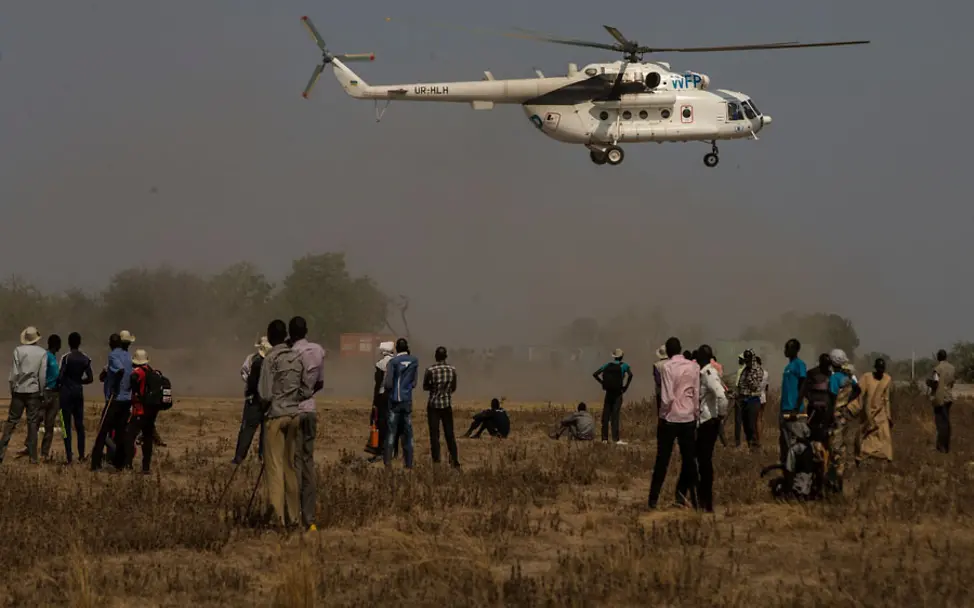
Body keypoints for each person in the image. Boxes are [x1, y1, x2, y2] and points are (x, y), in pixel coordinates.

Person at [258, 319, 307, 528]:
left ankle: (278, 520)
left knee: (275, 469)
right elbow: (305, 389)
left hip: (276, 417)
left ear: (269, 337)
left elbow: (265, 393)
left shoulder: (270, 359)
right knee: (290, 468)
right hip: (294, 416)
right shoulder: (296, 357)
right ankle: (294, 517)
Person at [648, 337, 700, 509]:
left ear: (668, 352)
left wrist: (662, 416)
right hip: (688, 418)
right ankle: (695, 499)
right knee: (689, 461)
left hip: (670, 418)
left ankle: (653, 501)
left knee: (662, 461)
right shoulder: (694, 366)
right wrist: (695, 414)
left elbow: (668, 396)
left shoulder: (667, 367)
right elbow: (696, 394)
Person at [289, 316, 325, 531]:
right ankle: (309, 518)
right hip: (310, 408)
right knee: (308, 462)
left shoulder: (291, 354)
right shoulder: (318, 350)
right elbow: (320, 383)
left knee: (295, 464)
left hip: (295, 410)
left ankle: (294, 515)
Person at [0, 327, 49, 464]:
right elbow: (42, 375)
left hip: (19, 390)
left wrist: (12, 389)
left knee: (11, 422)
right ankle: (33, 457)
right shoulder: (42, 353)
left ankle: (1, 453)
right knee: (32, 423)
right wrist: (41, 391)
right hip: (33, 391)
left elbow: (14, 374)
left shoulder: (18, 350)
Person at [91, 331, 135, 471]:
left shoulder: (113, 355)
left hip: (114, 400)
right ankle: (121, 463)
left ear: (111, 344)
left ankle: (95, 463)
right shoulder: (129, 356)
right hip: (126, 400)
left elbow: (120, 370)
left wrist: (115, 387)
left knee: (102, 431)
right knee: (121, 432)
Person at [696, 345, 728, 513]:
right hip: (705, 421)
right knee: (702, 462)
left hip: (708, 422)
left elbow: (722, 395)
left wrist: (720, 416)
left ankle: (706, 501)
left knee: (705, 463)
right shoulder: (705, 372)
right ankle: (703, 499)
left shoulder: (709, 373)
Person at [826, 349, 861, 493]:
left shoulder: (834, 379)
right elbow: (858, 389)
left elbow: (832, 397)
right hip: (845, 415)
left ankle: (836, 479)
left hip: (835, 415)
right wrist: (848, 403)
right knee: (843, 445)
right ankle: (840, 472)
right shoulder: (849, 377)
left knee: (834, 445)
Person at [232, 337, 270, 464]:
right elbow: (244, 373)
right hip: (267, 400)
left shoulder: (254, 360)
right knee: (265, 430)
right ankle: (262, 457)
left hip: (254, 400)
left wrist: (250, 389)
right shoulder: (256, 359)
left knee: (248, 429)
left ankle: (240, 457)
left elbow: (245, 374)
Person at [383, 338, 419, 469]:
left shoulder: (393, 362)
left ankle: (387, 463)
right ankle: (408, 463)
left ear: (396, 348)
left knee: (391, 433)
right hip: (407, 401)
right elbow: (414, 383)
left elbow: (388, 383)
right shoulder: (414, 361)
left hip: (394, 401)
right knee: (408, 434)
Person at [25, 334, 62, 461]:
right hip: (45, 392)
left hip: (54, 393)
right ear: (55, 345)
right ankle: (30, 447)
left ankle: (44, 453)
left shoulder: (54, 358)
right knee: (37, 420)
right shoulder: (46, 356)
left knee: (49, 424)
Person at [58, 332, 93, 464]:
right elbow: (90, 378)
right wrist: (79, 381)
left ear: (69, 343)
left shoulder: (66, 358)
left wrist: (63, 383)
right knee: (79, 425)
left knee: (64, 424)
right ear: (79, 343)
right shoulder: (85, 359)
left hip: (65, 395)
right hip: (78, 394)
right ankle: (82, 454)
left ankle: (68, 455)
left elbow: (61, 376)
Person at [123, 349, 160, 473]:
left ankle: (128, 464)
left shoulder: (139, 371)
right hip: (150, 412)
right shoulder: (151, 370)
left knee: (129, 436)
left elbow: (133, 377)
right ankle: (146, 467)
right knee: (147, 438)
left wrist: (136, 391)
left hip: (139, 411)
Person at [423, 346, 460, 468]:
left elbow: (425, 386)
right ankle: (454, 460)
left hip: (433, 405)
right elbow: (453, 388)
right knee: (449, 434)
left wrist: (435, 390)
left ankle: (436, 460)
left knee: (435, 434)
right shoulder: (452, 370)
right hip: (446, 405)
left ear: (435, 356)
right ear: (446, 356)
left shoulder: (430, 370)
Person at [592, 348, 633, 445]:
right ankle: (616, 439)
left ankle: (604, 439)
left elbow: (595, 374)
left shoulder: (607, 365)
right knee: (615, 416)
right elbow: (630, 375)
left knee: (606, 415)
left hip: (608, 393)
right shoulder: (624, 366)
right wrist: (625, 387)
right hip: (618, 393)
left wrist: (602, 383)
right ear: (622, 356)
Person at [858, 357, 893, 462]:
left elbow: (887, 399)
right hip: (868, 411)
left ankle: (886, 456)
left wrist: (889, 415)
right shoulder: (866, 377)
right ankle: (864, 454)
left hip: (881, 412)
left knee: (885, 435)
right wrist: (860, 409)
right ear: (875, 368)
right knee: (867, 435)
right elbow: (860, 394)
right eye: (879, 369)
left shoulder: (887, 379)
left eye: (882, 369)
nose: (880, 371)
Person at [779, 339, 808, 464]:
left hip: (793, 409)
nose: (785, 351)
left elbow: (803, 386)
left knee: (794, 441)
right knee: (784, 441)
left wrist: (796, 407)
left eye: (788, 348)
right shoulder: (787, 367)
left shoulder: (799, 364)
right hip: (784, 408)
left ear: (795, 350)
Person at [368, 341, 395, 463]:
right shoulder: (396, 362)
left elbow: (378, 383)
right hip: (394, 396)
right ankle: (392, 450)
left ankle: (380, 450)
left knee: (381, 423)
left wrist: (374, 401)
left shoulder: (380, 364)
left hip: (382, 396)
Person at [927, 349, 955, 453]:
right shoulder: (952, 368)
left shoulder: (938, 368)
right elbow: (952, 382)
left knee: (941, 423)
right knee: (947, 422)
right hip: (948, 397)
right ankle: (946, 446)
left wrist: (928, 383)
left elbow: (935, 383)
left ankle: (941, 447)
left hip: (940, 398)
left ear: (938, 357)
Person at [735, 350, 763, 449]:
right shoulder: (745, 369)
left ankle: (755, 447)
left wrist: (748, 377)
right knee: (746, 425)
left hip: (753, 400)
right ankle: (749, 445)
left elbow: (754, 386)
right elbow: (740, 384)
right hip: (743, 399)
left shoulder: (757, 370)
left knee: (752, 425)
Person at [756, 356, 769, 442]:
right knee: (760, 418)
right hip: (763, 397)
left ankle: (758, 439)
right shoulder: (766, 373)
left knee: (756, 420)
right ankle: (759, 437)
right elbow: (767, 387)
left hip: (755, 398)